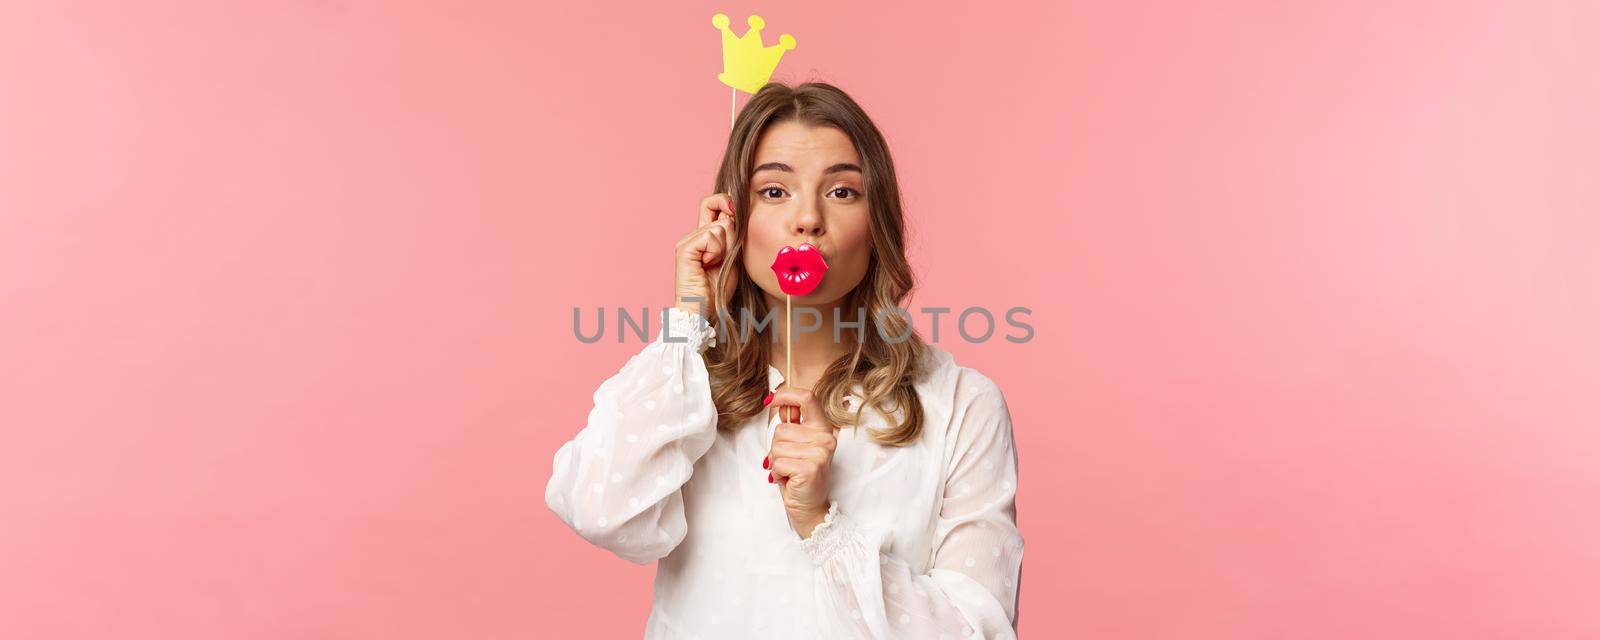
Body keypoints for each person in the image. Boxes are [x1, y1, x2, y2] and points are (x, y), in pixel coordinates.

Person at [545, 81, 1023, 639]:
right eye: (774, 192)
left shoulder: (963, 403)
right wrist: (686, 323)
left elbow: (980, 629)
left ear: (878, 225)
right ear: (733, 220)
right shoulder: (683, 389)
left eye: (842, 192)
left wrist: (822, 524)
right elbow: (601, 512)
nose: (808, 219)